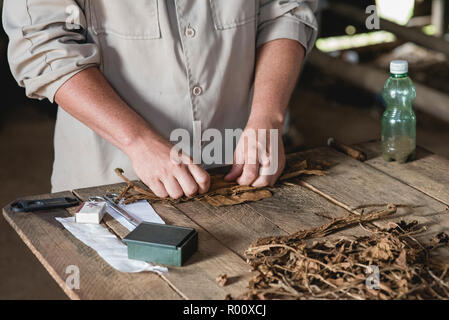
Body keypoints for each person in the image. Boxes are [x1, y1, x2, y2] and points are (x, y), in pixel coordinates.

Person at [3, 0, 318, 198]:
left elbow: (285, 12)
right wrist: (137, 141)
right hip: (115, 175)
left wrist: (267, 116)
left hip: (237, 166)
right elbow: (43, 46)